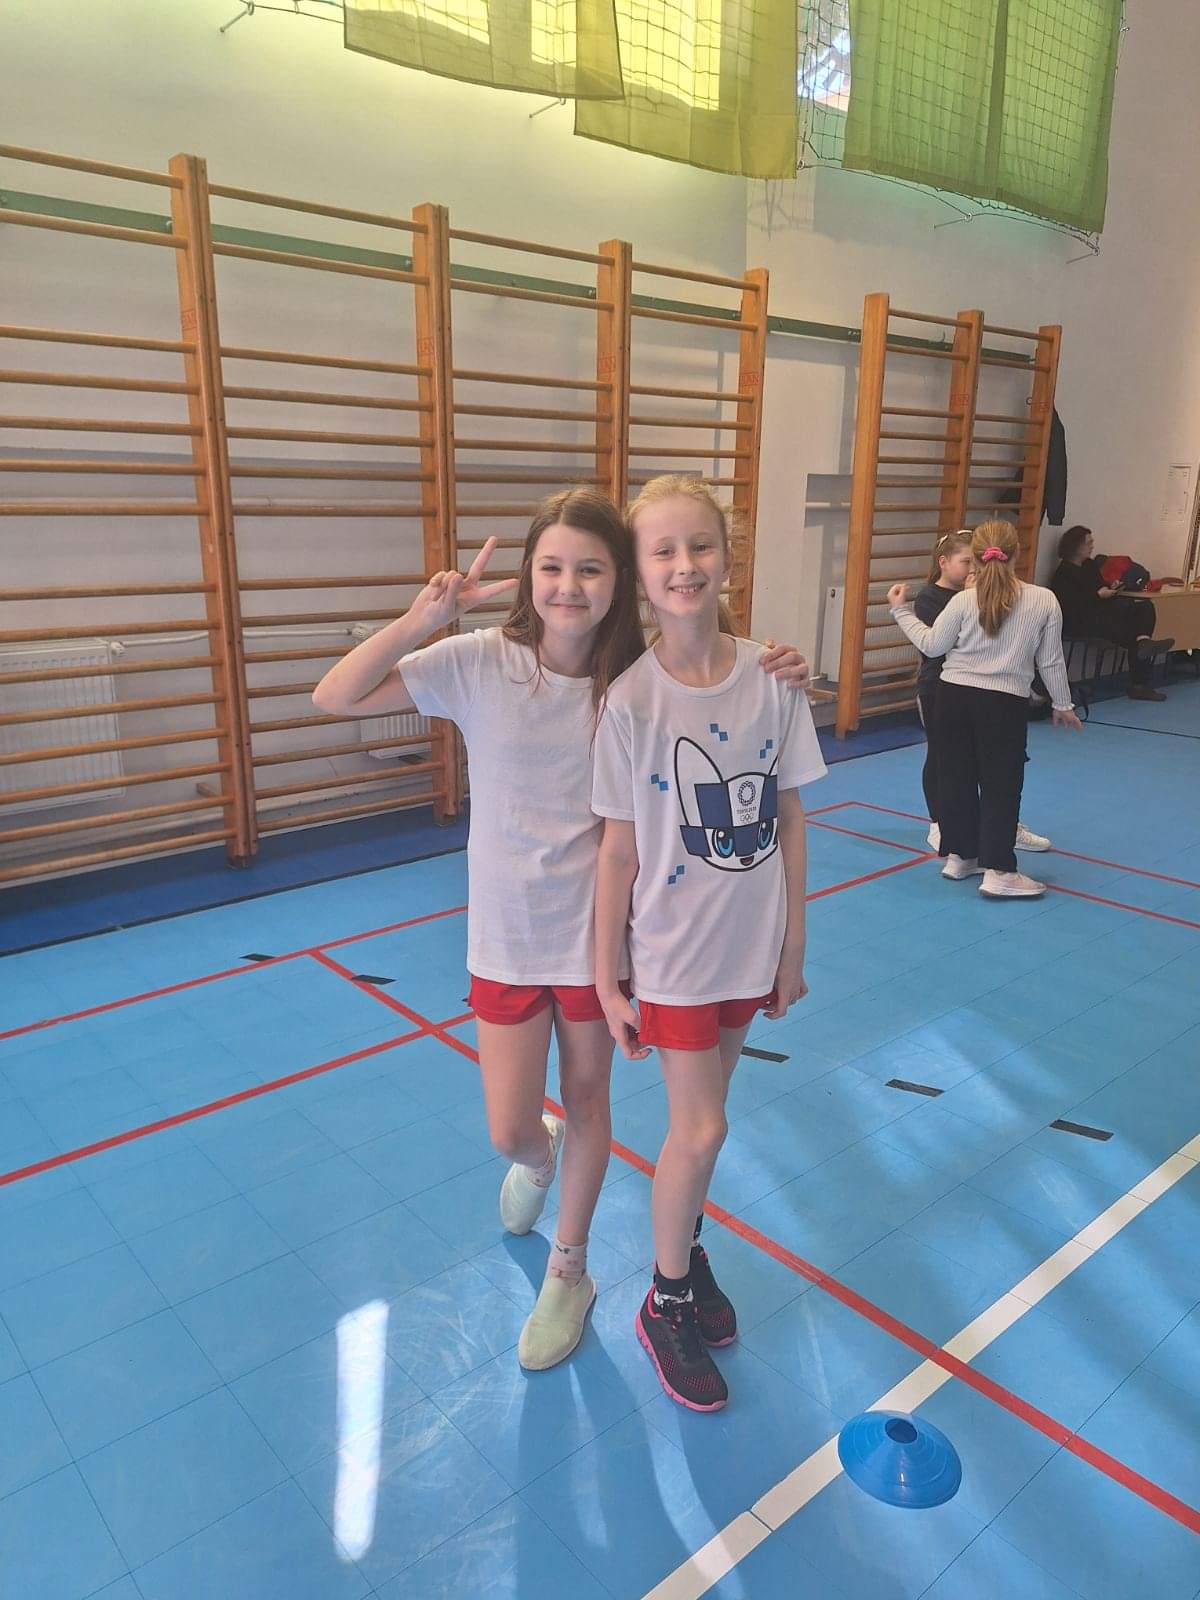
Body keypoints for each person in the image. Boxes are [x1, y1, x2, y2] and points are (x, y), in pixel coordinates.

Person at [312, 488, 810, 1372]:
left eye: (590, 569)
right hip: (506, 937)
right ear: (527, 576)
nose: (569, 586)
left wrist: (781, 665)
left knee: (589, 1104)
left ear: (620, 582)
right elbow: (336, 696)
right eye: (551, 567)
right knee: (511, 1127)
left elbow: (717, 692)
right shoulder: (479, 661)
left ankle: (569, 1271)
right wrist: (422, 619)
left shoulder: (630, 684)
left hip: (596, 943)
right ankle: (535, 1163)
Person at [592, 477, 827, 1412]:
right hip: (674, 956)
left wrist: (792, 945)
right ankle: (665, 1300)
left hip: (748, 947)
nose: (684, 566)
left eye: (700, 547)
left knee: (710, 1116)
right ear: (639, 574)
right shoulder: (630, 702)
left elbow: (791, 817)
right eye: (663, 551)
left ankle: (685, 1252)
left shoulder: (774, 679)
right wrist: (607, 976)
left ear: (729, 557)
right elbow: (618, 850)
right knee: (702, 1129)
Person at [888, 520, 1083, 900]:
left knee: (956, 778)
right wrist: (1063, 703)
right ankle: (1000, 871)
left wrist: (900, 611)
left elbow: (931, 645)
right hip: (1002, 702)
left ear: (977, 558)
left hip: (952, 697)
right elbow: (1051, 660)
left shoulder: (963, 600)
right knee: (1000, 785)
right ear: (1017, 554)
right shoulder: (1043, 599)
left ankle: (961, 856)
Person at [916, 530, 1051, 855]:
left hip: (984, 689)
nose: (972, 567)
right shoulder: (933, 598)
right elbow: (939, 644)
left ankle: (999, 827)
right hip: (941, 687)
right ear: (944, 563)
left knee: (994, 765)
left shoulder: (983, 594)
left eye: (975, 560)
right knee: (944, 760)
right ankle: (941, 823)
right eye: (966, 561)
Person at [1049, 525, 1173, 702]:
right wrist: (1097, 596)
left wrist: (1110, 587)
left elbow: (1099, 586)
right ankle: (1140, 679)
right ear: (1076, 546)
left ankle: (1143, 642)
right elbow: (1069, 606)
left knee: (1145, 607)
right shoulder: (1063, 574)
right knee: (1133, 632)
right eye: (1088, 543)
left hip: (1101, 612)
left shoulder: (1089, 565)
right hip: (1081, 620)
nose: (1092, 546)